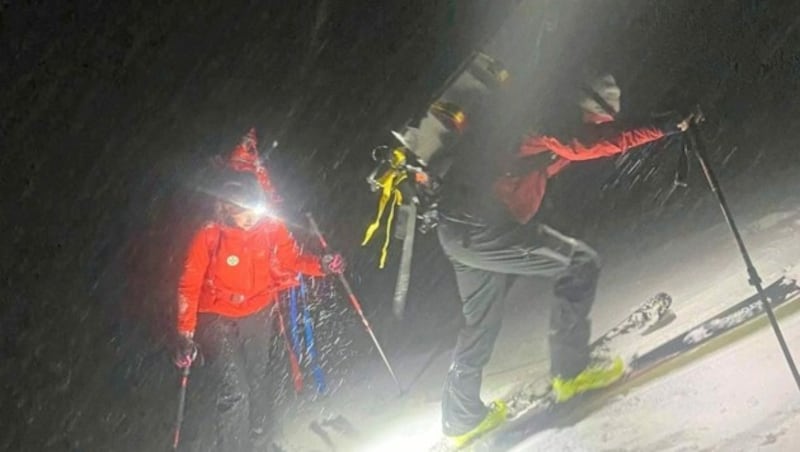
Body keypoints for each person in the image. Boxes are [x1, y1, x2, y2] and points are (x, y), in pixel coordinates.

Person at [432, 74, 696, 447]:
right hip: (483, 227)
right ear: (589, 108)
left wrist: (654, 119)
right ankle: (571, 373)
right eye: (600, 120)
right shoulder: (544, 117)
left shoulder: (531, 120)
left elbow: (571, 150)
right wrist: (660, 127)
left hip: (457, 231)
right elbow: (587, 145)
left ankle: (460, 419)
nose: (599, 128)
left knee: (480, 324)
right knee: (579, 264)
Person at [173, 134, 345, 452]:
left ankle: (262, 443)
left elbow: (291, 258)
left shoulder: (270, 227)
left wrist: (323, 264)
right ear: (227, 207)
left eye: (254, 208)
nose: (251, 216)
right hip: (219, 316)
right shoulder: (210, 235)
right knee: (235, 390)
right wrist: (185, 333)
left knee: (258, 381)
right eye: (243, 210)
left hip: (259, 311)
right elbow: (189, 283)